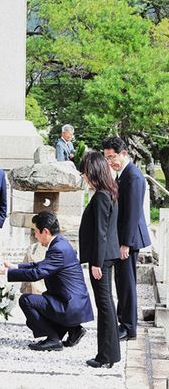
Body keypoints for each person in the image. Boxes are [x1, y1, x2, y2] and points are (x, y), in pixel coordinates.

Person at [0, 211, 93, 351]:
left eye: (36, 232)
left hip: (70, 305)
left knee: (26, 300)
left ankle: (53, 339)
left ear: (45, 231)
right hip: (72, 302)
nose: (35, 236)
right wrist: (16, 266)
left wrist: (4, 272)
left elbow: (37, 273)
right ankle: (73, 329)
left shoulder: (58, 249)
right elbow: (41, 265)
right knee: (45, 297)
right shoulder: (60, 243)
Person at [102, 136, 151, 341]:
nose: (110, 162)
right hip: (123, 238)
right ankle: (124, 322)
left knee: (127, 283)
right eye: (107, 158)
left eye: (112, 157)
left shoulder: (133, 176)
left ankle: (129, 327)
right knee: (121, 282)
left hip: (128, 240)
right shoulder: (122, 174)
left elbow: (131, 213)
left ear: (123, 153)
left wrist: (125, 244)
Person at [79, 151, 121, 368]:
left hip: (102, 259)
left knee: (104, 306)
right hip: (106, 256)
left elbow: (101, 232)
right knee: (107, 305)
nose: (84, 175)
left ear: (93, 171)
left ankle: (105, 355)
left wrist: (96, 262)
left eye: (86, 171)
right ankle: (109, 354)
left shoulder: (102, 196)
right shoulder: (109, 192)